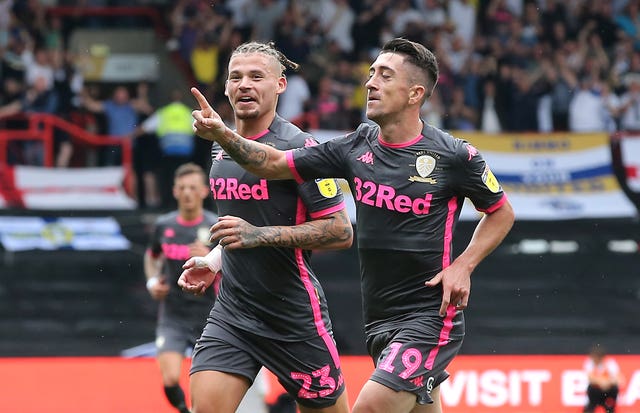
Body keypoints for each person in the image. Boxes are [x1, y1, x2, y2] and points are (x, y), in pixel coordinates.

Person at [189, 37, 516, 413]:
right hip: (379, 316)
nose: (370, 83)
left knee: (370, 408)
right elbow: (273, 165)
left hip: (430, 313)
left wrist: (464, 264)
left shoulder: (454, 155)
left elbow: (501, 211)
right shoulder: (355, 146)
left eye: (384, 75)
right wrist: (223, 135)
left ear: (414, 94)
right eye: (372, 73)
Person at [178, 41, 353, 413]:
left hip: (293, 317)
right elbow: (244, 224)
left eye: (257, 76)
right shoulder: (219, 147)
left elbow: (340, 231)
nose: (245, 84)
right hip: (233, 313)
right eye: (236, 77)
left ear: (280, 85)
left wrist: (258, 237)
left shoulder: (301, 148)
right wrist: (214, 260)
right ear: (225, 88)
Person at [144, 162, 218, 413]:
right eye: (182, 188)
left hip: (209, 315)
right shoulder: (164, 225)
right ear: (175, 191)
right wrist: (152, 281)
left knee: (204, 386)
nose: (187, 193)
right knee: (170, 378)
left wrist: (211, 258)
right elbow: (152, 256)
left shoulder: (215, 226)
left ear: (204, 191)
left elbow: (235, 266)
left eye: (193, 188)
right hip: (173, 313)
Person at [583, 345, 622, 413]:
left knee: (610, 408)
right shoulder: (589, 363)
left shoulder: (610, 363)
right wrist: (601, 382)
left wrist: (607, 382)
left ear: (600, 357)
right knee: (589, 408)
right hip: (595, 392)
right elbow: (590, 378)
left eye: (595, 357)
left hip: (608, 392)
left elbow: (620, 380)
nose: (593, 359)